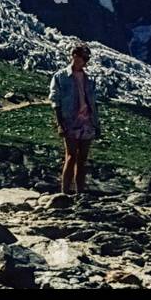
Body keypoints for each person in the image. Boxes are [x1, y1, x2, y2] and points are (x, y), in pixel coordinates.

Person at [49, 43, 100, 196]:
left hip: (87, 121)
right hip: (70, 121)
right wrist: (60, 123)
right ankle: (64, 192)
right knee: (71, 156)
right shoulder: (60, 76)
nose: (81, 61)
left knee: (82, 159)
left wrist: (97, 123)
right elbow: (55, 101)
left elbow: (93, 102)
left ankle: (80, 193)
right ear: (73, 56)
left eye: (85, 58)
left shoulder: (89, 79)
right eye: (79, 57)